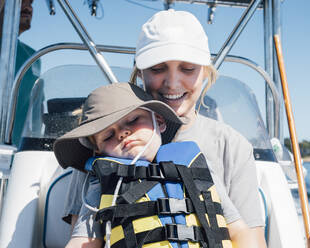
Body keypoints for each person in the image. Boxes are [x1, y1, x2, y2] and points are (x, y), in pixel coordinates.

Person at [63, 9, 267, 247]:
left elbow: (248, 237)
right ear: (140, 73)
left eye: (188, 69)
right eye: (157, 69)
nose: (172, 83)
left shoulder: (232, 146)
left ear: (205, 71)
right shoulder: (101, 147)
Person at [54, 82, 254, 247]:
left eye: (133, 120)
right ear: (99, 151)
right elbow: (84, 242)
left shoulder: (196, 164)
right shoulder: (102, 184)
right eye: (108, 136)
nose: (122, 133)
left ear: (159, 120)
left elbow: (238, 230)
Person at [0, 0, 41, 147]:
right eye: (19, 1)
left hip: (15, 155)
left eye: (30, 3)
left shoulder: (33, 57)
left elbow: (36, 112)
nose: (28, 7)